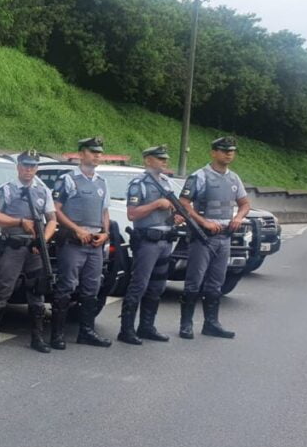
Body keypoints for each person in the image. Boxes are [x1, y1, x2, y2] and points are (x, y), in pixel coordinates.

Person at [0, 150, 57, 353]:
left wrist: (44, 240)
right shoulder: (6, 190)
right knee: (3, 290)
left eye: (33, 166)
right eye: (25, 165)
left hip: (35, 248)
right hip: (13, 246)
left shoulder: (43, 191)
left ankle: (37, 337)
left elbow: (52, 220)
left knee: (37, 292)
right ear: (18, 167)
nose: (29, 169)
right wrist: (19, 221)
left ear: (37, 168)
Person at [178, 136, 250, 339]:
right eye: (223, 150)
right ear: (213, 152)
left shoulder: (234, 178)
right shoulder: (199, 176)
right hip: (203, 237)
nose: (228, 153)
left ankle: (211, 323)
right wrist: (203, 222)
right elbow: (183, 203)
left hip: (225, 237)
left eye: (231, 151)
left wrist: (238, 217)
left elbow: (245, 203)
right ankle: (186, 325)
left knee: (216, 282)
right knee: (194, 281)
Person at [50, 136, 113, 349]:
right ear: (81, 153)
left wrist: (106, 233)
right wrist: (76, 229)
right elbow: (55, 209)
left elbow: (105, 211)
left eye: (100, 153)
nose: (97, 156)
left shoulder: (102, 182)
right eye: (93, 152)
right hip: (73, 243)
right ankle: (57, 334)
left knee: (91, 289)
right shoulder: (68, 179)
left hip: (94, 244)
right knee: (66, 286)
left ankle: (86, 331)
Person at [118, 145, 177, 345]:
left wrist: (176, 218)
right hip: (147, 241)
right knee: (139, 284)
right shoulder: (139, 184)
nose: (164, 161)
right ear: (148, 160)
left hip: (165, 240)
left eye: (165, 158)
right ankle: (126, 330)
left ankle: (147, 326)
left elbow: (172, 210)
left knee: (157, 285)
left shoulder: (167, 183)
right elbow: (132, 213)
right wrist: (155, 204)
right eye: (160, 158)